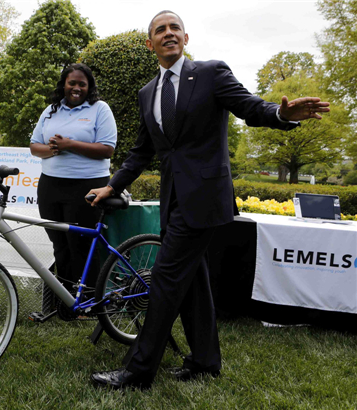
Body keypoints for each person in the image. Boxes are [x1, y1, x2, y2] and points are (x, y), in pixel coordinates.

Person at [88, 11, 330, 389]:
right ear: (150, 43)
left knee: (166, 280)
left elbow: (252, 108)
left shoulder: (211, 74)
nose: (168, 34)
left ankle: (137, 373)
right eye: (159, 30)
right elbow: (141, 151)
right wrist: (112, 186)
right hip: (173, 202)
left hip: (205, 199)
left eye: (174, 28)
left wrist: (282, 113)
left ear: (185, 38)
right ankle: (204, 361)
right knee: (193, 282)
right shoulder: (146, 93)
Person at [30, 63, 117, 293]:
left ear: (89, 87)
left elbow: (107, 149)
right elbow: (34, 146)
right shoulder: (51, 110)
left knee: (81, 245)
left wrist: (69, 144)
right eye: (72, 83)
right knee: (59, 244)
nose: (76, 88)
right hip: (51, 186)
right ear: (64, 84)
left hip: (87, 186)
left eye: (82, 84)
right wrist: (55, 149)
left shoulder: (100, 109)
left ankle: (88, 299)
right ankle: (66, 298)